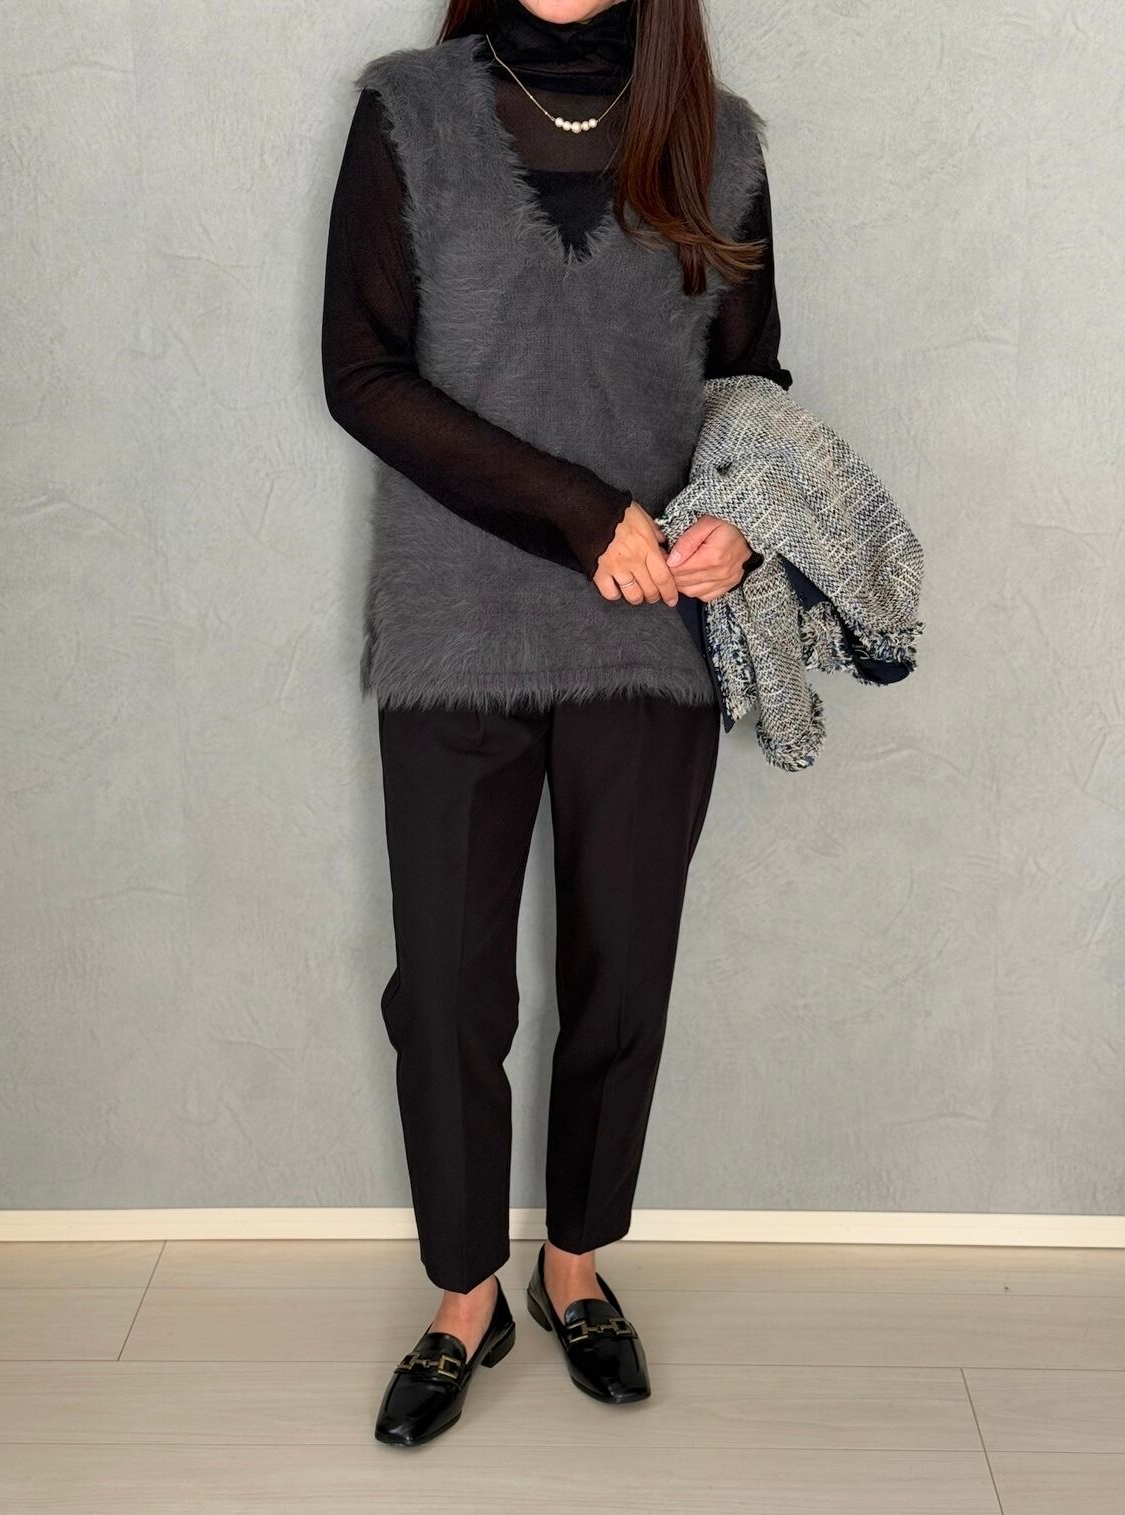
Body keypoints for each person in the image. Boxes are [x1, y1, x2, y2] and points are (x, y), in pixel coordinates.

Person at [321, 0, 793, 1447]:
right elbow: (363, 376)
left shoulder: (720, 143)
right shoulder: (408, 112)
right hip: (454, 626)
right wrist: (585, 513)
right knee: (446, 995)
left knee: (621, 977)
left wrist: (736, 526)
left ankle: (574, 1267)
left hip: (651, 639)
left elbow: (752, 387)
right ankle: (465, 1293)